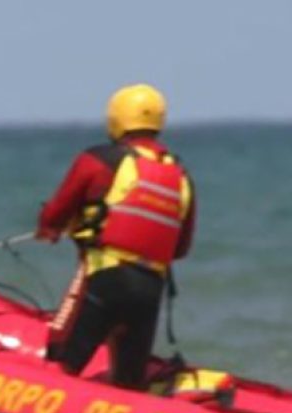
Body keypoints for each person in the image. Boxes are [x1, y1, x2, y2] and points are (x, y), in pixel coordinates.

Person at [36, 83, 196, 389]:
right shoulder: (180, 175)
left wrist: (49, 228)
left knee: (62, 361)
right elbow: (181, 247)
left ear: (116, 118)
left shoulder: (99, 159)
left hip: (105, 279)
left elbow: (55, 214)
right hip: (150, 288)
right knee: (128, 384)